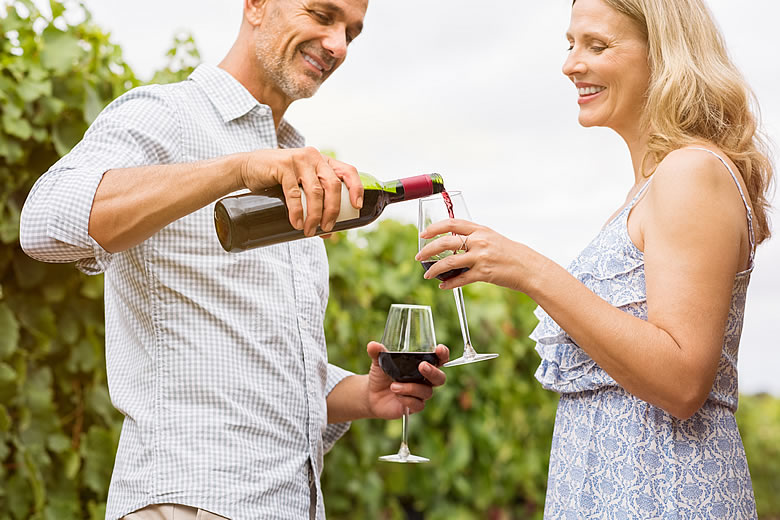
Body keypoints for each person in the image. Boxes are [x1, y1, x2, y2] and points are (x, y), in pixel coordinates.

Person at [19, 1, 449, 519]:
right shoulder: (166, 114)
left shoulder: (295, 161)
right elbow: (43, 222)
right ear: (256, 5)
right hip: (190, 502)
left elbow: (255, 364)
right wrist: (234, 170)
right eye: (320, 13)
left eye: (351, 33)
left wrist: (362, 394)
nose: (337, 44)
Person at [417, 0, 773, 518]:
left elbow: (682, 380)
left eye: (597, 45)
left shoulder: (690, 172)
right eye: (571, 44)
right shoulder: (645, 192)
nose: (570, 64)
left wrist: (532, 272)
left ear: (664, 55)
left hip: (660, 497)